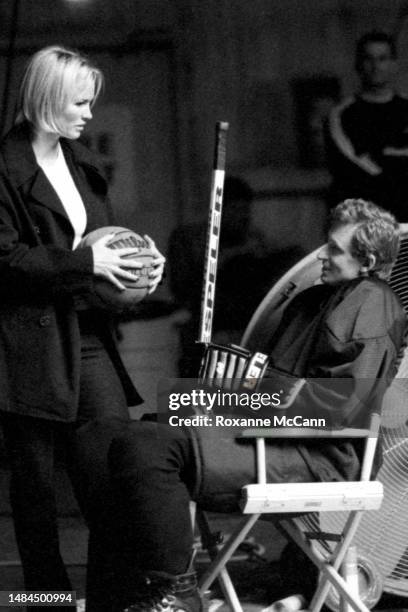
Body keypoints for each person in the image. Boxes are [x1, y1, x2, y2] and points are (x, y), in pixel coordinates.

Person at [76, 198, 406, 612]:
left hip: (323, 455)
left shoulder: (373, 301)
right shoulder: (313, 302)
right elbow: (263, 387)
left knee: (150, 444)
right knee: (115, 435)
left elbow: (341, 408)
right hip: (279, 437)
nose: (321, 254)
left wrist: (229, 401)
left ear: (368, 261)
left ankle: (176, 596)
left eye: (335, 250)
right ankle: (122, 592)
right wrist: (202, 394)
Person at [0, 45, 165, 610]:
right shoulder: (3, 167)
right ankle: (47, 605)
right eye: (80, 102)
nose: (90, 113)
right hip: (26, 345)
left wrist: (141, 264)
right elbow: (4, 260)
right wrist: (83, 265)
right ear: (48, 101)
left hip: (88, 337)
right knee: (37, 499)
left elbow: (104, 245)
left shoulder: (83, 163)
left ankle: (111, 602)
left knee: (115, 479)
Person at [167, 176, 304, 377]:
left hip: (246, 323)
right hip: (208, 322)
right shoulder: (189, 239)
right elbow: (184, 288)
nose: (242, 217)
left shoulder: (252, 238)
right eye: (235, 210)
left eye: (245, 211)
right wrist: (228, 258)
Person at [326, 31, 408, 221]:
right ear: (358, 64)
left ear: (394, 64)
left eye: (382, 59)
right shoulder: (342, 115)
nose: (375, 67)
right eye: (369, 59)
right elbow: (355, 169)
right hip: (364, 224)